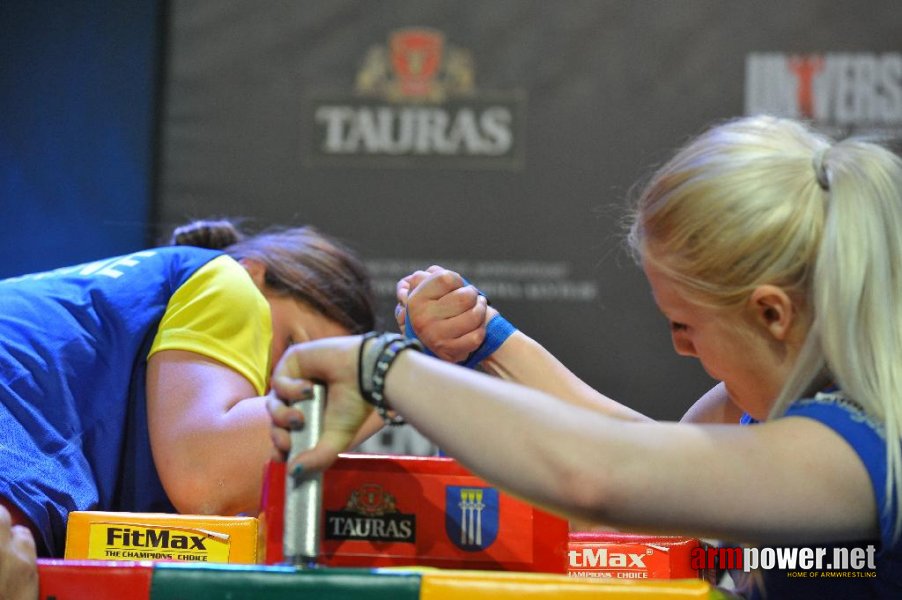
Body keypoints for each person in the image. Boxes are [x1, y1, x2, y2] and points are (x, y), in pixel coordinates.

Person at [268, 115, 902, 598]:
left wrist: (384, 368)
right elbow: (652, 468)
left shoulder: (856, 449)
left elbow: (603, 476)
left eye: (686, 324)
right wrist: (487, 340)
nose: (679, 346)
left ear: (772, 315)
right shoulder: (794, 406)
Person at [0, 218, 376, 558]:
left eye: (309, 383)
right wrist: (386, 375)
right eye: (292, 348)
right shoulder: (229, 281)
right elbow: (206, 479)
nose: (278, 391)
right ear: (256, 273)